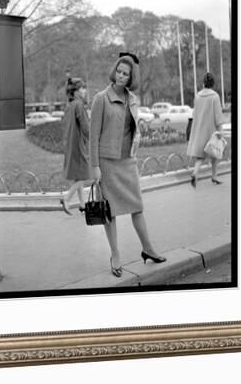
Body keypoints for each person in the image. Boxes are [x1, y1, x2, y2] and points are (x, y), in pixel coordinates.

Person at [89, 54, 166, 277]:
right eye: (119, 72)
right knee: (110, 212)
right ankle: (115, 255)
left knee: (138, 207)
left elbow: (133, 127)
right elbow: (93, 137)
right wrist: (95, 167)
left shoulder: (133, 99)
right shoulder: (100, 99)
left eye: (126, 73)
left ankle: (148, 249)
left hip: (128, 160)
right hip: (107, 163)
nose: (121, 76)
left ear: (131, 77)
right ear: (114, 72)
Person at [60, 77, 93, 215]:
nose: (85, 91)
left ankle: (82, 204)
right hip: (79, 146)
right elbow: (86, 128)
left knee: (78, 177)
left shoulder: (70, 105)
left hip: (70, 144)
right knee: (85, 175)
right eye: (82, 88)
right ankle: (67, 199)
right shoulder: (79, 105)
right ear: (76, 91)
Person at [187, 72, 224, 187]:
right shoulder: (215, 96)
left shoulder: (197, 96)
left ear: (203, 83)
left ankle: (195, 173)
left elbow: (195, 113)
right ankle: (214, 177)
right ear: (213, 83)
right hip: (211, 130)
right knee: (216, 153)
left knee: (200, 156)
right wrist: (220, 131)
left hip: (199, 130)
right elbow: (218, 116)